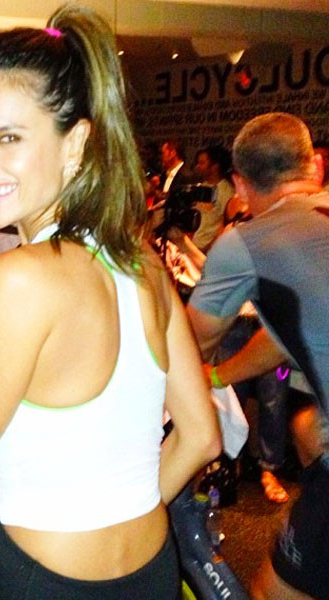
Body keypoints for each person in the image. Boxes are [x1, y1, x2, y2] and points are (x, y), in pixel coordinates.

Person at [0, 6, 221, 600]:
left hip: (39, 583)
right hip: (152, 572)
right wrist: (112, 518)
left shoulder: (21, 278)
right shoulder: (142, 262)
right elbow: (201, 435)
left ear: (75, 142)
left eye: (9, 137)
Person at [187, 113, 329, 600]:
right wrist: (218, 376)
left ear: (240, 186)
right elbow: (289, 334)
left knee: (272, 593)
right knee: (305, 428)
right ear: (313, 166)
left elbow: (191, 345)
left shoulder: (245, 242)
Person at [192, 145, 234, 251]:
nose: (198, 167)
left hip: (208, 250)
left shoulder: (226, 191)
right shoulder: (202, 187)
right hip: (194, 245)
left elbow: (227, 224)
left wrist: (213, 247)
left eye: (202, 163)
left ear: (215, 166)